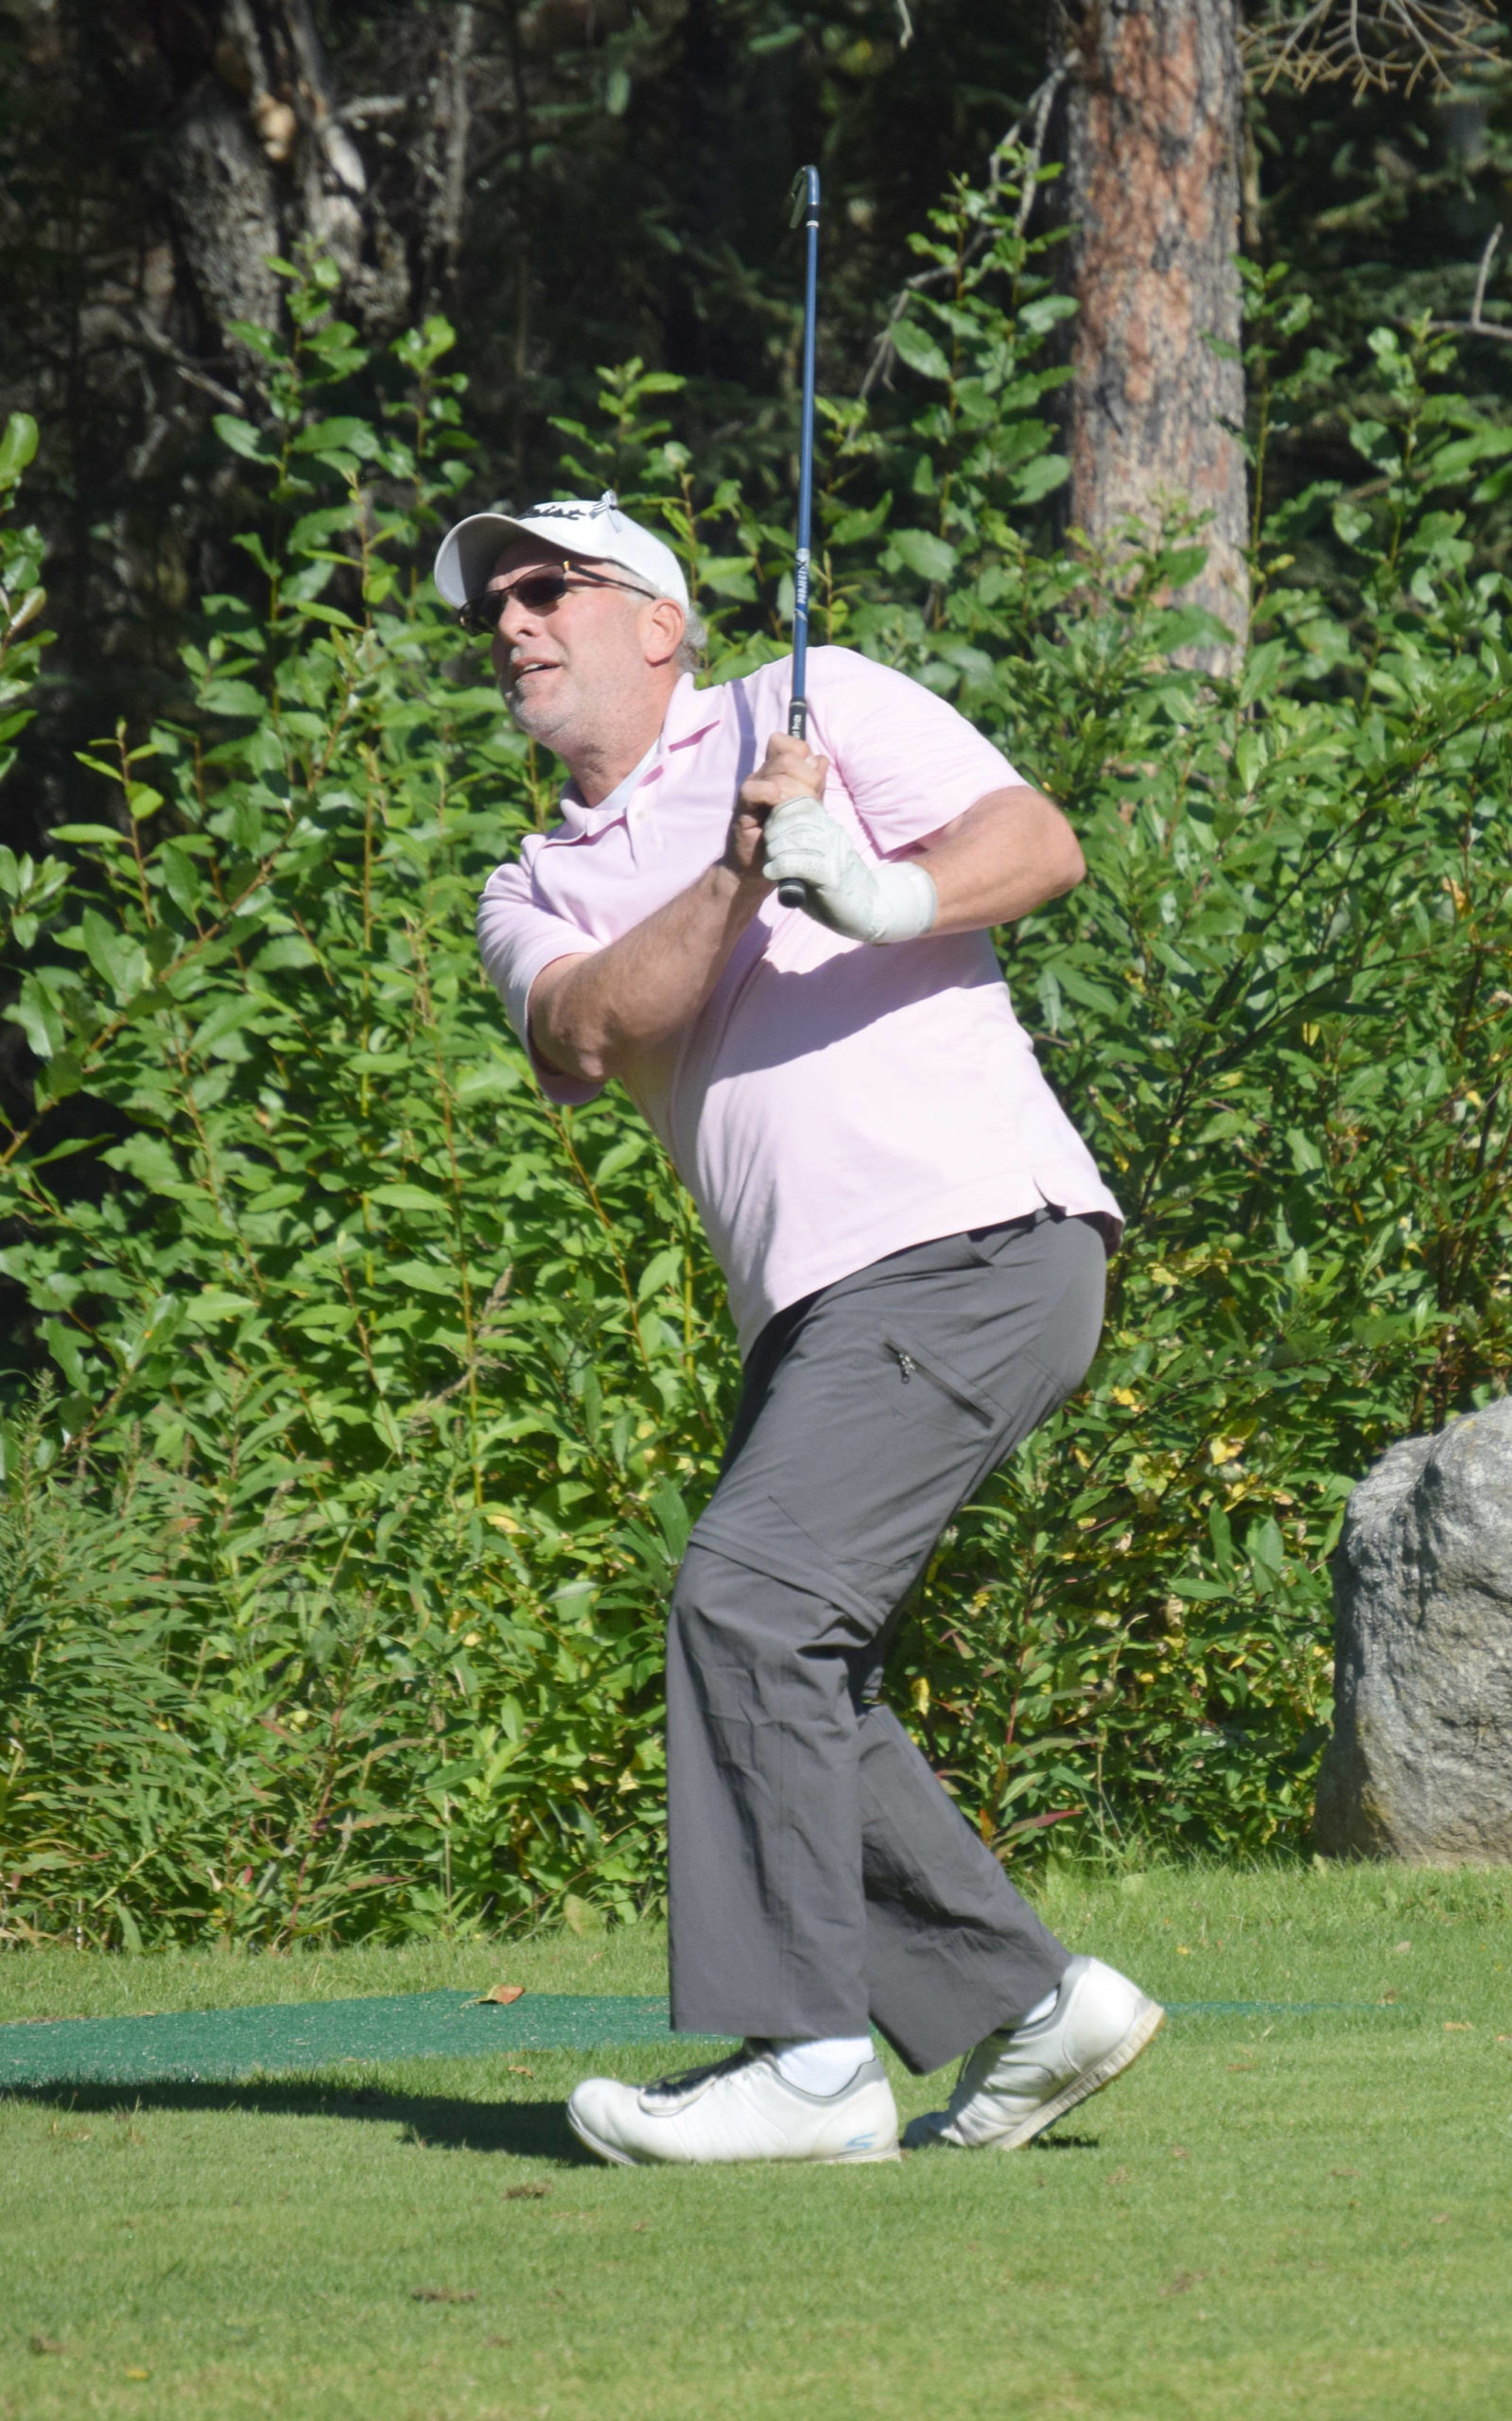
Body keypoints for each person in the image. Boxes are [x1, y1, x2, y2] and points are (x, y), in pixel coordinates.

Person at [436, 490, 1163, 2168]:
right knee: (789, 1652)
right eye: (496, 607)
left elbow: (1037, 844)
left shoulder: (809, 703)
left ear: (659, 622)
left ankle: (814, 2064)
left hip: (972, 1236)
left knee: (745, 1602)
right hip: (822, 1302)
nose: (513, 625)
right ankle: (1032, 2004)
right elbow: (591, 1025)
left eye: (549, 589)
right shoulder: (527, 881)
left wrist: (886, 891)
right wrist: (747, 874)